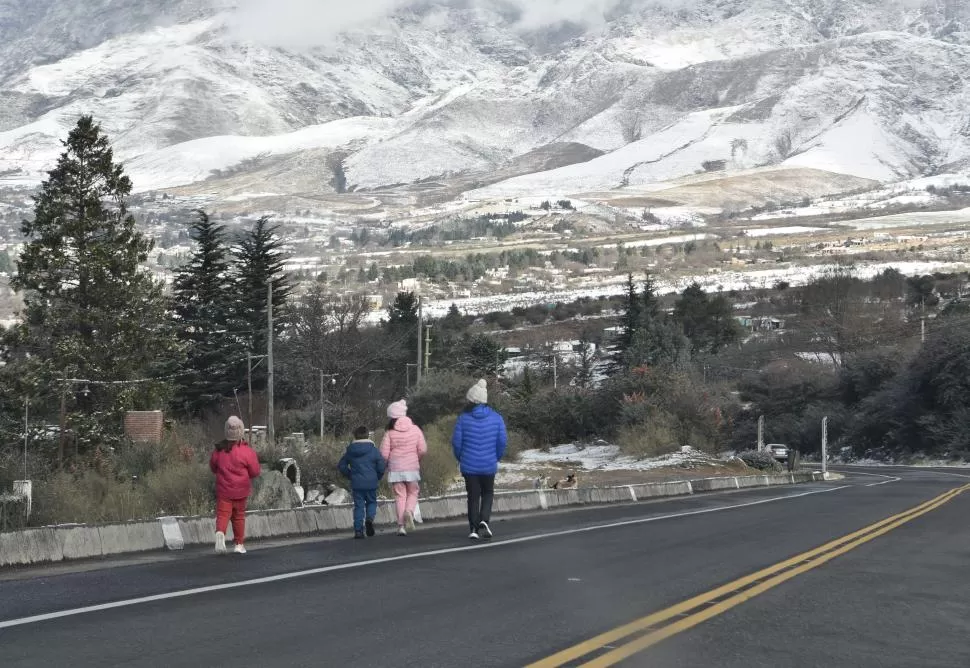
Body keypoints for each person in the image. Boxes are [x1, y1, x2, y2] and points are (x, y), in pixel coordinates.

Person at [452, 379, 507, 540]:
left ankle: (473, 528)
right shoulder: (497, 418)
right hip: (489, 464)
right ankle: (484, 520)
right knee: (488, 493)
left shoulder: (463, 418)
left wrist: (460, 458)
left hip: (469, 466)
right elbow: (502, 442)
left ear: (471, 400)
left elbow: (456, 443)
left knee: (473, 496)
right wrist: (496, 457)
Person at [209, 416, 261, 555]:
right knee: (238, 517)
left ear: (226, 431)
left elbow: (213, 467)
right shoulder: (247, 451)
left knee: (223, 515)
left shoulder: (218, 450)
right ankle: (239, 544)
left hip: (224, 491)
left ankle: (220, 533)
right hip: (241, 491)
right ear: (241, 431)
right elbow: (255, 471)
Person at [380, 399, 427, 536]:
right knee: (413, 492)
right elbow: (423, 449)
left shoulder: (389, 433)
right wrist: (416, 458)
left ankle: (401, 526)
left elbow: (383, 454)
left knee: (400, 496)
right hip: (412, 467)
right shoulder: (415, 429)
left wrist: (388, 463)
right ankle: (409, 511)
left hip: (396, 469)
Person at [338, 426, 386, 539]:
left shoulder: (350, 450)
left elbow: (341, 465)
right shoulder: (374, 450)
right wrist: (377, 477)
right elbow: (381, 466)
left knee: (359, 506)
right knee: (372, 502)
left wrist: (350, 475)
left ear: (355, 435)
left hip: (357, 483)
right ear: (367, 435)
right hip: (371, 482)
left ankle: (358, 531)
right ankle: (369, 519)